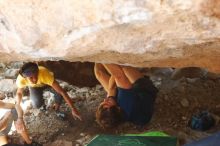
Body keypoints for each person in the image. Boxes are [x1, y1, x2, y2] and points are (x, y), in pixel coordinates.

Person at [95, 63, 158, 129]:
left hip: (132, 105)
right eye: (108, 103)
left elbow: (111, 88)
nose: (105, 100)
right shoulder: (125, 101)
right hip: (144, 91)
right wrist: (105, 59)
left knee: (99, 74)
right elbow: (119, 76)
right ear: (118, 109)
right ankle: (142, 72)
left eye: (104, 102)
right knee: (124, 66)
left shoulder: (114, 110)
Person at [15, 62, 81, 121]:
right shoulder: (21, 79)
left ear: (38, 72)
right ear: (25, 77)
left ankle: (56, 109)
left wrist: (73, 108)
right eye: (31, 78)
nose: (34, 79)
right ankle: (43, 106)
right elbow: (19, 93)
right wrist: (17, 104)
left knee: (59, 94)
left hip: (47, 84)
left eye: (36, 76)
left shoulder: (44, 73)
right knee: (36, 104)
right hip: (34, 87)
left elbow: (61, 91)